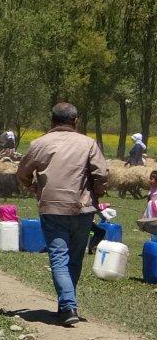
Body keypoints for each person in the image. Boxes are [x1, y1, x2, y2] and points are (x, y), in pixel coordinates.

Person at [17, 102, 109, 326]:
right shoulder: (88, 143)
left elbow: (22, 173)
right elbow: (102, 173)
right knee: (75, 258)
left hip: (52, 208)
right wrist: (96, 193)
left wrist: (35, 189)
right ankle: (67, 306)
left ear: (52, 121)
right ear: (75, 120)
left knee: (59, 257)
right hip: (82, 209)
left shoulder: (39, 143)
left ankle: (67, 306)